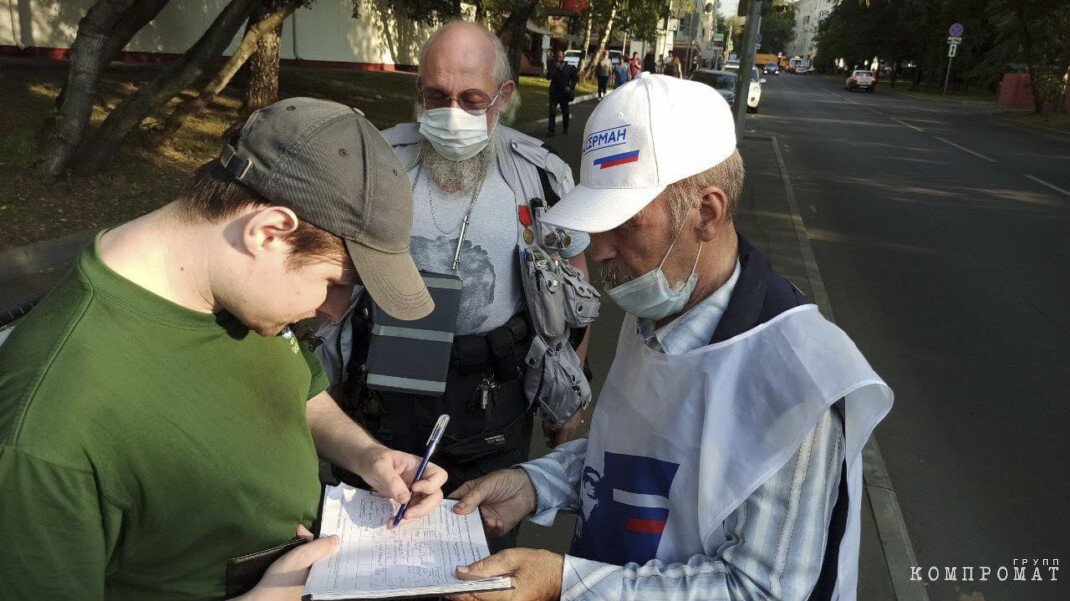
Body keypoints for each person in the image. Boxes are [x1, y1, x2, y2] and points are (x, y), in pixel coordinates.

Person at [447, 73, 894, 600]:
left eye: (625, 225)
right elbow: (637, 456)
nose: (599, 252)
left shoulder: (799, 379)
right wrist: (532, 484)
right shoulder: (661, 307)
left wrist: (566, 582)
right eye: (595, 225)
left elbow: (760, 590)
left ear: (706, 212)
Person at [0, 98, 449, 600]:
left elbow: (296, 390)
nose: (334, 309)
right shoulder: (48, 422)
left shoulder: (234, 290)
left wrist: (368, 455)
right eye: (335, 282)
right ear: (269, 233)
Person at [313, 21, 591, 552]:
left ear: (504, 97)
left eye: (472, 98)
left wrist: (566, 406)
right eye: (437, 97)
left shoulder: (542, 178)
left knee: (474, 558)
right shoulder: (377, 166)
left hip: (491, 405)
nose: (452, 113)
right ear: (418, 93)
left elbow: (574, 303)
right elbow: (331, 294)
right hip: (379, 401)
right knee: (369, 552)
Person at [546, 48, 579, 136]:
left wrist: (571, 87)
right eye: (557, 57)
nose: (558, 58)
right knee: (552, 112)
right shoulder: (552, 67)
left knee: (565, 113)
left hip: (564, 94)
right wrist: (554, 69)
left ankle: (565, 128)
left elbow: (575, 79)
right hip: (554, 93)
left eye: (560, 57)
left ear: (563, 57)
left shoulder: (569, 68)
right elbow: (548, 77)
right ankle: (551, 130)